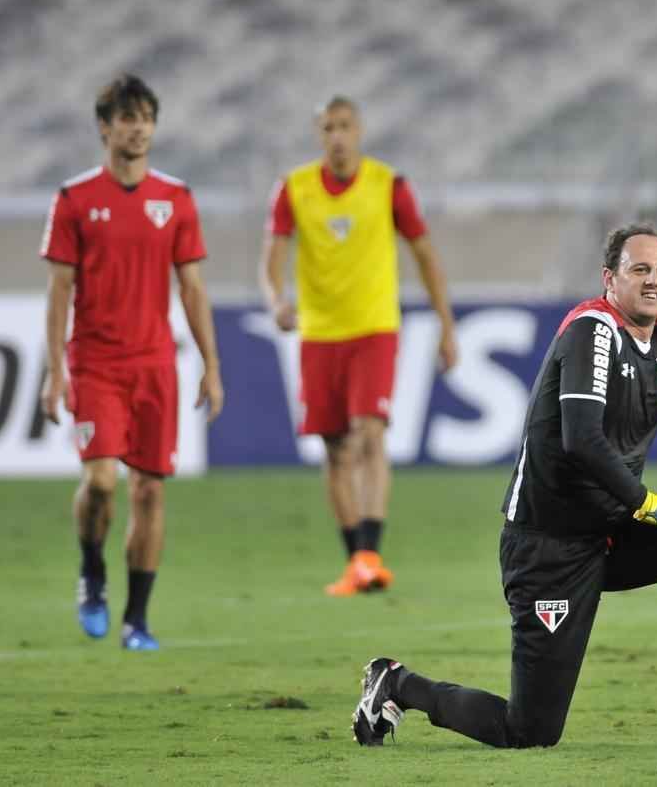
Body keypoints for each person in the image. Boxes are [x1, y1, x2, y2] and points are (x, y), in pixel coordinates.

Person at [351, 223, 657, 749]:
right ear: (610, 278)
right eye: (640, 270)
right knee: (530, 730)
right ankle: (397, 683)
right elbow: (580, 440)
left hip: (611, 531)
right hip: (548, 545)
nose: (653, 281)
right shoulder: (592, 330)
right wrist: (651, 505)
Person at [39, 73, 224, 651]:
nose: (138, 127)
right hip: (94, 363)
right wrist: (54, 371)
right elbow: (59, 291)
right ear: (104, 127)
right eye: (127, 117)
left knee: (149, 491)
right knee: (99, 483)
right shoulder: (74, 200)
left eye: (146, 117)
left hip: (154, 366)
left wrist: (210, 365)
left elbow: (192, 288)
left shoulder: (175, 199)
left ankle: (136, 620)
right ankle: (92, 570)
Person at [260, 96, 458, 597]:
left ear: (361, 130)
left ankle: (371, 554)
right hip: (320, 334)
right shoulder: (294, 189)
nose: (338, 136)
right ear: (318, 133)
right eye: (329, 127)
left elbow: (425, 255)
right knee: (334, 449)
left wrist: (446, 325)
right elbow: (271, 260)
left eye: (345, 126)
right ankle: (356, 562)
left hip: (374, 328)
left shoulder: (388, 185)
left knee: (369, 432)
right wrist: (276, 301)